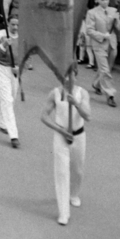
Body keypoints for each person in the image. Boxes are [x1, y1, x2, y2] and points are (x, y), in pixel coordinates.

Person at [40, 72, 92, 226]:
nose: (68, 79)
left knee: (77, 169)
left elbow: (88, 116)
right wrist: (61, 130)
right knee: (62, 172)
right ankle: (63, 212)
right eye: (65, 76)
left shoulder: (82, 93)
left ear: (76, 76)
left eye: (71, 76)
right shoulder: (55, 93)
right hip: (61, 136)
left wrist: (76, 103)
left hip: (78, 135)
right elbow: (44, 116)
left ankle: (74, 194)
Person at [84, 0, 120, 108]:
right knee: (105, 69)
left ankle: (96, 84)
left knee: (107, 68)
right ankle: (110, 95)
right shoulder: (92, 12)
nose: (105, 2)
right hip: (99, 43)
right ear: (97, 0)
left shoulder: (114, 11)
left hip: (112, 43)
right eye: (102, 0)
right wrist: (102, 35)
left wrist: (118, 19)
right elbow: (89, 30)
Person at [0, 25, 19, 148]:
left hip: (15, 71)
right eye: (12, 24)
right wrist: (4, 45)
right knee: (7, 100)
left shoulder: (23, 36)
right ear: (8, 23)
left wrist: (20, 67)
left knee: (11, 97)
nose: (15, 27)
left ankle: (3, 122)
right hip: (2, 68)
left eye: (17, 24)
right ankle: (14, 135)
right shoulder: (0, 34)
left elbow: (27, 55)